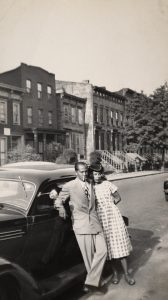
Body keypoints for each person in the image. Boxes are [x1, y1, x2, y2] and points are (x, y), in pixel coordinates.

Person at [52, 162, 107, 293]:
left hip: (95, 222)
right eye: (81, 172)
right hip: (81, 224)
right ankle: (95, 285)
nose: (84, 174)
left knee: (103, 250)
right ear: (76, 172)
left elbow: (102, 178)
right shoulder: (70, 185)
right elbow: (59, 199)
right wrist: (60, 207)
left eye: (85, 172)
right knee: (89, 257)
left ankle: (90, 282)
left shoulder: (90, 183)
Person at [89, 163, 135, 286]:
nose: (97, 176)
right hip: (101, 219)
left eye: (99, 174)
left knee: (119, 246)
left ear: (101, 174)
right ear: (91, 175)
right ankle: (115, 274)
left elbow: (118, 197)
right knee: (108, 248)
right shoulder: (90, 187)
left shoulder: (108, 184)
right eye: (94, 174)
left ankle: (126, 274)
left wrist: (110, 207)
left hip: (113, 218)